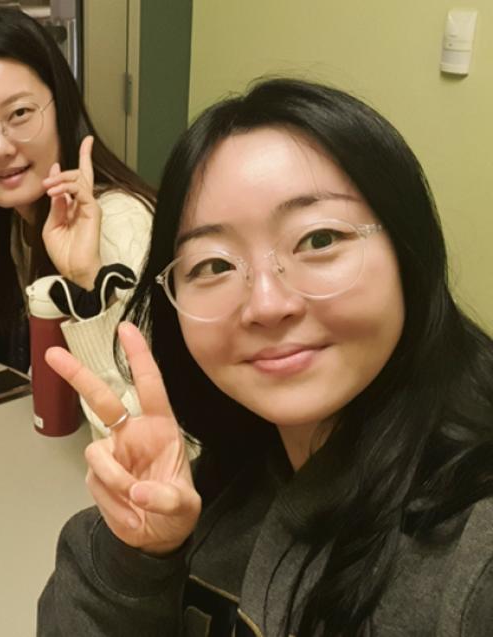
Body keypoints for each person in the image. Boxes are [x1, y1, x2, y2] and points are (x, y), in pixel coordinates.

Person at [37, 78, 493, 635]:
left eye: (319, 239)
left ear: (408, 247)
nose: (267, 305)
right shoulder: (228, 481)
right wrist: (140, 559)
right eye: (214, 265)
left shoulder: (472, 555)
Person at [0, 8, 156, 436]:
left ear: (61, 106)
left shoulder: (121, 223)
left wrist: (88, 280)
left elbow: (149, 441)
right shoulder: (21, 221)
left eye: (19, 114)